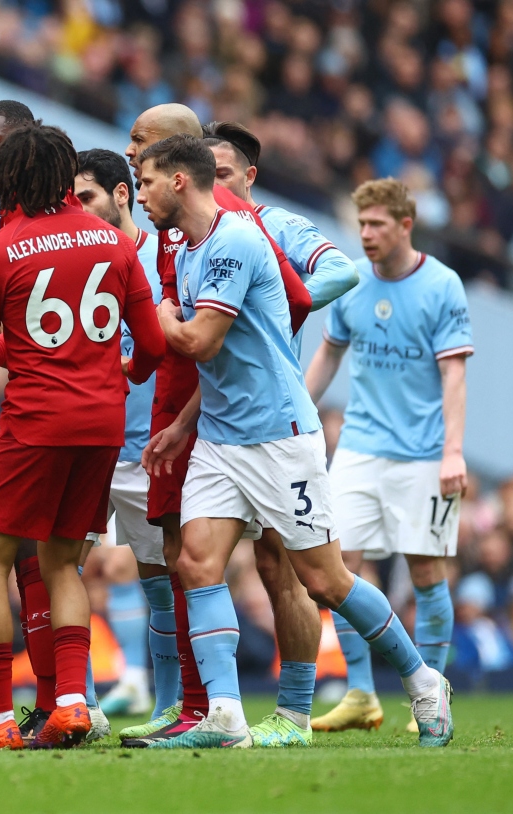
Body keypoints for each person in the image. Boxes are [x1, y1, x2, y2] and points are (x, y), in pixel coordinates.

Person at [136, 134, 453, 750]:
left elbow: (200, 341)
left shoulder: (232, 240)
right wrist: (182, 424)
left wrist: (153, 312)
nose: (141, 192)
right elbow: (225, 354)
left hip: (280, 437)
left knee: (325, 580)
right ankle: (226, 714)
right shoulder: (191, 246)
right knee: (197, 562)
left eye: (145, 179)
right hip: (222, 437)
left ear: (178, 180)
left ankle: (422, 680)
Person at [0, 121, 166, 751]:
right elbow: (152, 346)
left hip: (34, 422)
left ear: (15, 177)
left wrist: (15, 346)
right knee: (63, 560)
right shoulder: (114, 242)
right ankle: (73, 703)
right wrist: (113, 372)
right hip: (103, 424)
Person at [120, 102, 313, 748]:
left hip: (241, 417)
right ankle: (204, 709)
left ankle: (324, 700)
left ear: (176, 161)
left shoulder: (230, 223)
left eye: (141, 144)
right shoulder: (172, 227)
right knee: (183, 557)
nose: (131, 152)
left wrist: (257, 361)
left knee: (300, 570)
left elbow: (299, 295)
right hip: (188, 407)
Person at [201, 120, 360, 747]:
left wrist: (287, 304)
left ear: (248, 177)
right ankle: (204, 708)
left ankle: (295, 710)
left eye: (225, 173)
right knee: (188, 560)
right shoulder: (185, 234)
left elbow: (343, 272)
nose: (216, 185)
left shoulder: (276, 225)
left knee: (286, 568)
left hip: (273, 422)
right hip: (207, 418)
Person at [306, 178, 472, 735]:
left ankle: (432, 686)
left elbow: (455, 375)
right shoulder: (351, 282)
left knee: (426, 572)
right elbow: (329, 355)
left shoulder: (443, 285)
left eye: (377, 224)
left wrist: (453, 451)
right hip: (358, 447)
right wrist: (298, 415)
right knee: (338, 566)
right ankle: (360, 693)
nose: (367, 235)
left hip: (425, 455)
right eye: (362, 225)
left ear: (406, 225)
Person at [0, 99, 65, 741]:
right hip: (87, 407)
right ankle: (58, 702)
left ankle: (15, 710)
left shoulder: (15, 234)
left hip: (39, 413)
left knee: (15, 561)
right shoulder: (6, 223)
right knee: (46, 563)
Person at [72, 148, 166, 722]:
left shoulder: (163, 257)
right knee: (63, 568)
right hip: (87, 441)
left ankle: (168, 700)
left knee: (159, 577)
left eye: (87, 198)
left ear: (122, 194)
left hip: (149, 448)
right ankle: (78, 700)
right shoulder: (78, 259)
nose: (79, 211)